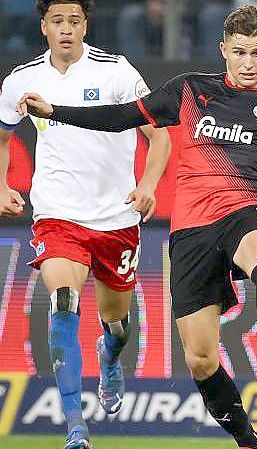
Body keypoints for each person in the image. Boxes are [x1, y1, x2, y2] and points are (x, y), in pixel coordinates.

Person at [18, 5, 257, 449]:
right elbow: (120, 116)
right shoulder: (189, 90)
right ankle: (249, 440)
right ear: (223, 49)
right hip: (189, 233)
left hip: (246, 209)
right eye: (240, 52)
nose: (248, 63)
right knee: (201, 358)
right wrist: (56, 110)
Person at [0, 1, 172, 448]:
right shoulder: (21, 79)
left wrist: (149, 185)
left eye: (74, 22)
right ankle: (76, 425)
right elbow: (2, 135)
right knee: (62, 301)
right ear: (44, 26)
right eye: (57, 21)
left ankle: (110, 356)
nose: (66, 30)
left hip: (117, 218)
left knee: (117, 325)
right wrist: (1, 185)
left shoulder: (116, 71)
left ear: (85, 26)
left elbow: (160, 135)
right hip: (58, 215)